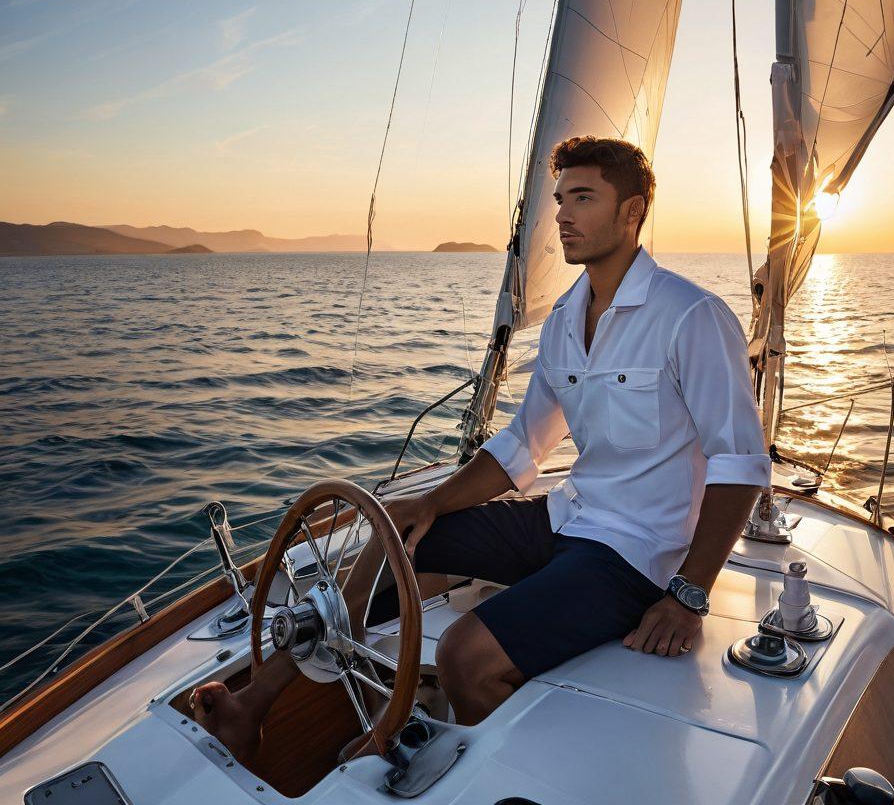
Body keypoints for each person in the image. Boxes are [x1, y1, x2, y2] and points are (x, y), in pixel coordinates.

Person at [191, 135, 770, 751]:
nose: (563, 216)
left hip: (638, 554)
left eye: (583, 198)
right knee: (393, 536)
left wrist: (689, 594)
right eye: (559, 200)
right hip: (566, 519)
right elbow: (523, 444)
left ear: (631, 213)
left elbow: (739, 462)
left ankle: (501, 770)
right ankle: (254, 703)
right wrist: (434, 502)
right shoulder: (565, 320)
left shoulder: (690, 315)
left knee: (468, 655)